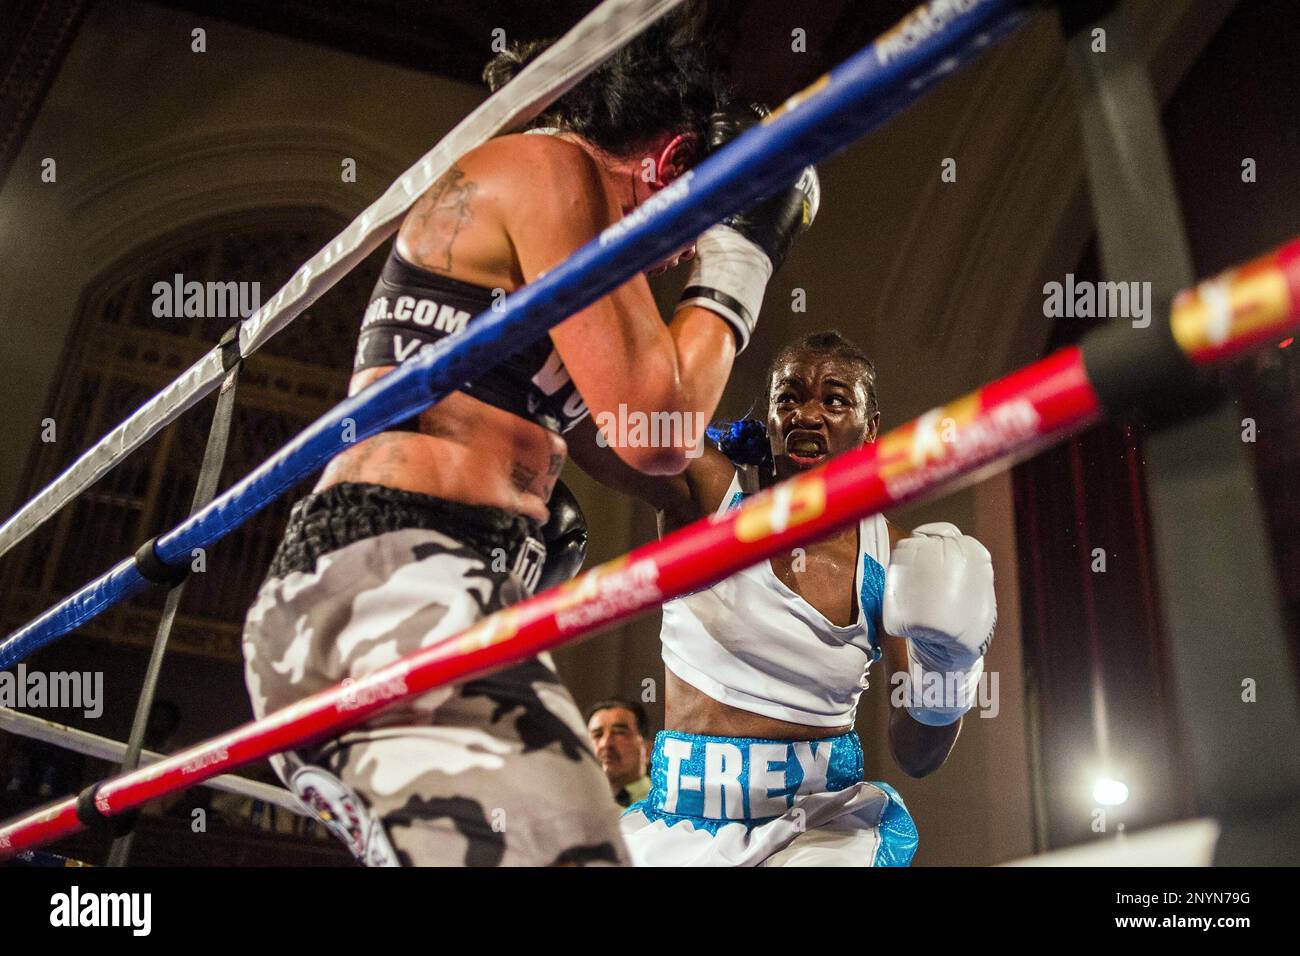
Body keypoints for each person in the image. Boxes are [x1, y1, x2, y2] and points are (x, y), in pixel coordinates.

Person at [241, 8, 819, 867]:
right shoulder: (554, 169)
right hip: (396, 584)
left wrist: (764, 497)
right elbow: (656, 431)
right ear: (671, 165)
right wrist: (742, 254)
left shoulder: (548, 271)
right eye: (693, 232)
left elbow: (650, 462)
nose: (678, 262)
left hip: (391, 593)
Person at [569, 330, 996, 865]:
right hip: (681, 821)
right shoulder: (713, 497)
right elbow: (596, 434)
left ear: (870, 429)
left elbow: (917, 756)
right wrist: (538, 351)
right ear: (770, 418)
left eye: (834, 400)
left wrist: (949, 674)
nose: (807, 414)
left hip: (817, 827)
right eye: (788, 398)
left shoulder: (893, 559)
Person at [585, 699, 652, 807]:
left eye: (619, 733)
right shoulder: (571, 804)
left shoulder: (668, 804)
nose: (605, 744)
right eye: (597, 735)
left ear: (647, 750)